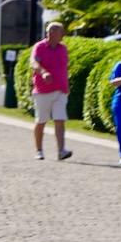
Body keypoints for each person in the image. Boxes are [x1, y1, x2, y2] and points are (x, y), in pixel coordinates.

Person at [28, 20, 71, 160]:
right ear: (51, 33)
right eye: (60, 31)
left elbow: (65, 67)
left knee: (60, 119)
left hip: (60, 90)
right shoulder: (39, 47)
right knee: (41, 121)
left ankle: (61, 150)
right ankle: (38, 150)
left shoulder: (63, 48)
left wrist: (66, 83)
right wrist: (43, 72)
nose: (62, 34)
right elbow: (34, 62)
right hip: (42, 90)